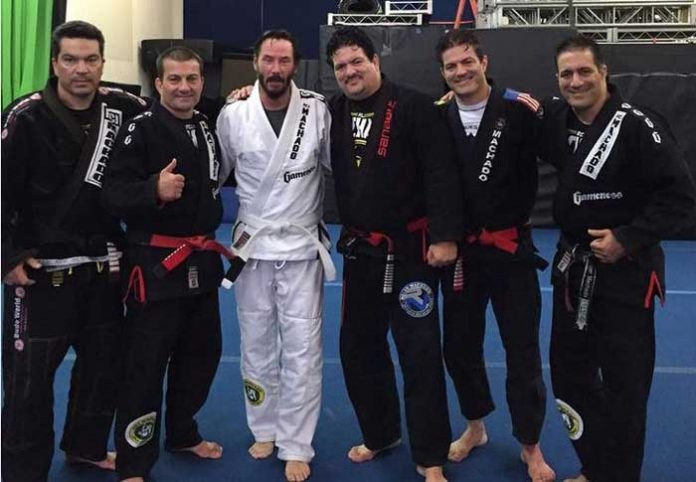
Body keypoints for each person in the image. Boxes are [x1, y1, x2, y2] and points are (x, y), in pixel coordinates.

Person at [537, 36, 696, 482]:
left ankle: (620, 475)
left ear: (604, 72)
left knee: (626, 386)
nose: (575, 81)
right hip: (573, 271)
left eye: (584, 71)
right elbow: (510, 112)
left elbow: (681, 199)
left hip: (625, 274)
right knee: (569, 377)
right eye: (566, 74)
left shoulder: (639, 125)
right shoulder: (556, 121)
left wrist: (628, 238)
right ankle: (596, 466)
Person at [1, 20, 146, 482]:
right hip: (41, 272)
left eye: (90, 59)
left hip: (104, 268)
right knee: (28, 383)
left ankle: (86, 448)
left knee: (103, 369)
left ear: (102, 62)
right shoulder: (24, 116)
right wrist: (7, 256)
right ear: (54, 63)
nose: (81, 69)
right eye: (70, 59)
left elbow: (175, 112)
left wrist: (239, 98)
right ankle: (23, 471)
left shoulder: (124, 107)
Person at [326, 26, 463, 482]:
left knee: (419, 353)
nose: (350, 71)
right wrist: (244, 93)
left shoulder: (415, 107)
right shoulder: (333, 111)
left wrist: (445, 236)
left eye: (356, 62)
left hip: (411, 254)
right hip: (362, 253)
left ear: (375, 61)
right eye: (341, 66)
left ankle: (431, 455)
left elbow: (441, 173)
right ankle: (381, 433)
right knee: (357, 349)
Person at [433, 31, 556, 482]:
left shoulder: (520, 109)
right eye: (451, 66)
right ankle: (475, 426)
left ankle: (530, 444)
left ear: (483, 61)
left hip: (511, 249)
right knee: (459, 347)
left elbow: (566, 148)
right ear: (443, 73)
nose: (461, 71)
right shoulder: (439, 115)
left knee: (521, 348)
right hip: (462, 253)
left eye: (467, 61)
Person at [102, 46, 227, 482]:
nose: (184, 87)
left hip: (201, 262)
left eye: (192, 78)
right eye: (174, 79)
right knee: (144, 367)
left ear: (202, 82)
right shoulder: (140, 128)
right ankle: (134, 463)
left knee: (201, 355)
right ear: (158, 83)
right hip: (156, 267)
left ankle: (182, 433)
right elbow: (112, 193)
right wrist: (153, 188)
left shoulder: (204, 126)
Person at [215, 30, 333, 482]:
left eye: (284, 61)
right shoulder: (234, 114)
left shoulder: (317, 111)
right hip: (252, 248)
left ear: (295, 65)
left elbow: (342, 168)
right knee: (256, 342)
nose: (276, 69)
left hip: (301, 248)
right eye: (269, 60)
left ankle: (297, 443)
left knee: (303, 348)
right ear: (255, 62)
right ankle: (264, 427)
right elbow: (215, 173)